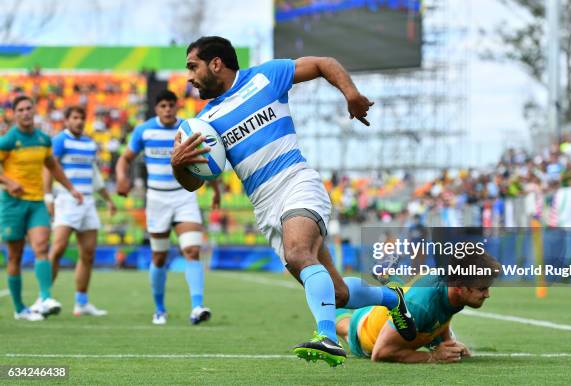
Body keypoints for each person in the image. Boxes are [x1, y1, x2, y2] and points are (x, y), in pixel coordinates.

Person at [171, 36, 416, 366]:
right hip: (265, 206)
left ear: (216, 64)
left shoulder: (266, 77)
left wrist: (351, 94)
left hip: (297, 182)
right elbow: (192, 184)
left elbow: (323, 63)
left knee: (299, 253)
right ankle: (394, 298)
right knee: (337, 292)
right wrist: (179, 166)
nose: (189, 76)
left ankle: (326, 336)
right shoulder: (204, 122)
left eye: (192, 66)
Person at [116, 90, 219, 325]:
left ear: (176, 106)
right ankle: (160, 309)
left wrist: (217, 190)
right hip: (157, 200)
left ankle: (197, 306)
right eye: (162, 105)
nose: (167, 110)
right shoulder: (144, 131)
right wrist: (122, 178)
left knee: (192, 250)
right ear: (156, 108)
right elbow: (125, 158)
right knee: (159, 256)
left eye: (171, 105)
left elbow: (206, 160)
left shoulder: (188, 129)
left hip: (184, 196)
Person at [0, 95, 83, 321]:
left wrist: (71, 189)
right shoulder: (8, 140)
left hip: (36, 202)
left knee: (41, 247)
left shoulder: (43, 139)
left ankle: (45, 297)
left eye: (29, 108)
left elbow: (52, 166)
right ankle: (19, 309)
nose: (26, 112)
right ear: (14, 114)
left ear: (34, 111)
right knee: (15, 256)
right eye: (21, 110)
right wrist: (8, 182)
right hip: (12, 204)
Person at [335, 252, 501, 363]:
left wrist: (447, 343)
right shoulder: (422, 306)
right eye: (482, 288)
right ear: (459, 287)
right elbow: (380, 353)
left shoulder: (451, 286)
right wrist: (433, 356)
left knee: (409, 298)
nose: (487, 294)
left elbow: (441, 312)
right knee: (346, 325)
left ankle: (385, 274)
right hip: (367, 328)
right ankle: (327, 301)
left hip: (401, 306)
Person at [44, 106, 116, 316]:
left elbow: (94, 176)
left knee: (88, 254)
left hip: (87, 202)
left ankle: (81, 303)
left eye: (82, 118)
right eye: (75, 117)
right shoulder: (59, 140)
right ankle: (44, 298)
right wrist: (48, 197)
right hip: (66, 200)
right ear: (66, 120)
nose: (79, 121)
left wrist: (109, 200)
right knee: (57, 250)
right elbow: (49, 168)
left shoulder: (89, 143)